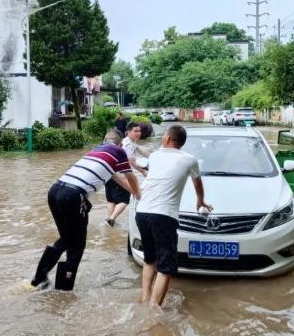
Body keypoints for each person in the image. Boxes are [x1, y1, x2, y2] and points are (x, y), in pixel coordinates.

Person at [30, 129, 141, 290]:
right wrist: (139, 195)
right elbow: (131, 177)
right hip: (73, 195)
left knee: (66, 239)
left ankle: (39, 279)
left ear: (104, 139)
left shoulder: (95, 150)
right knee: (77, 246)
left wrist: (135, 194)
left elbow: (117, 177)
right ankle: (63, 289)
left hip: (55, 190)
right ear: (120, 143)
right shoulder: (119, 151)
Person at [136, 125, 212, 307]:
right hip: (163, 216)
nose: (162, 138)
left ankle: (144, 298)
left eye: (163, 135)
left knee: (150, 259)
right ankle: (154, 309)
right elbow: (198, 185)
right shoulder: (190, 160)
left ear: (169, 139)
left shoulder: (154, 156)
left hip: (142, 212)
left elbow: (153, 174)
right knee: (166, 267)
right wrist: (200, 201)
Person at [104, 122, 151, 226]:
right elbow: (131, 162)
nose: (138, 133)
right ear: (128, 132)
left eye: (139, 131)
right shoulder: (128, 144)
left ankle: (107, 220)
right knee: (124, 200)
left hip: (110, 174)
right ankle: (112, 218)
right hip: (121, 176)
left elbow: (144, 152)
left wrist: (155, 157)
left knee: (111, 200)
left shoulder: (129, 142)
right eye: (135, 131)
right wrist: (143, 172)